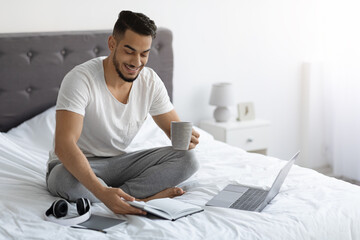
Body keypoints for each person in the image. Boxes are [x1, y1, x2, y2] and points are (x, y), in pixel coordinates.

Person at [46, 10, 200, 215]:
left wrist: (186, 139)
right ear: (112, 44)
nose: (137, 62)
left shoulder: (150, 81)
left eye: (144, 53)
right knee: (63, 180)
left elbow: (174, 132)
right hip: (77, 165)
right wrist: (101, 190)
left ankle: (122, 197)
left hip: (120, 164)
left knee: (188, 159)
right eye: (129, 51)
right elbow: (64, 145)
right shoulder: (80, 79)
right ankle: (141, 199)